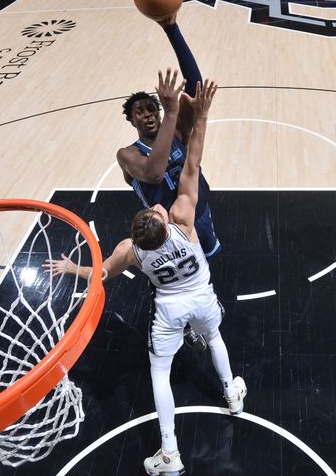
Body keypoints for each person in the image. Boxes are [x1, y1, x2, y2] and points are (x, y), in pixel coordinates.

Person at [45, 71, 246, 476]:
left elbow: (101, 275)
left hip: (169, 306)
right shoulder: (184, 219)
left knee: (159, 372)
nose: (156, 206)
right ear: (162, 219)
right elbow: (193, 160)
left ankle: (170, 451)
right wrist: (199, 113)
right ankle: (232, 393)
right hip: (201, 295)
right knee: (214, 336)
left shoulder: (131, 251)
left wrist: (72, 268)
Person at [117, 14, 221, 259]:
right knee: (177, 279)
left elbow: (196, 88)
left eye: (152, 109)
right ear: (132, 121)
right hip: (165, 231)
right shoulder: (128, 154)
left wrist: (171, 29)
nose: (148, 115)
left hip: (199, 213)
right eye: (139, 112)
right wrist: (172, 111)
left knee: (206, 269)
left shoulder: (177, 132)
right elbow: (153, 174)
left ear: (159, 111)